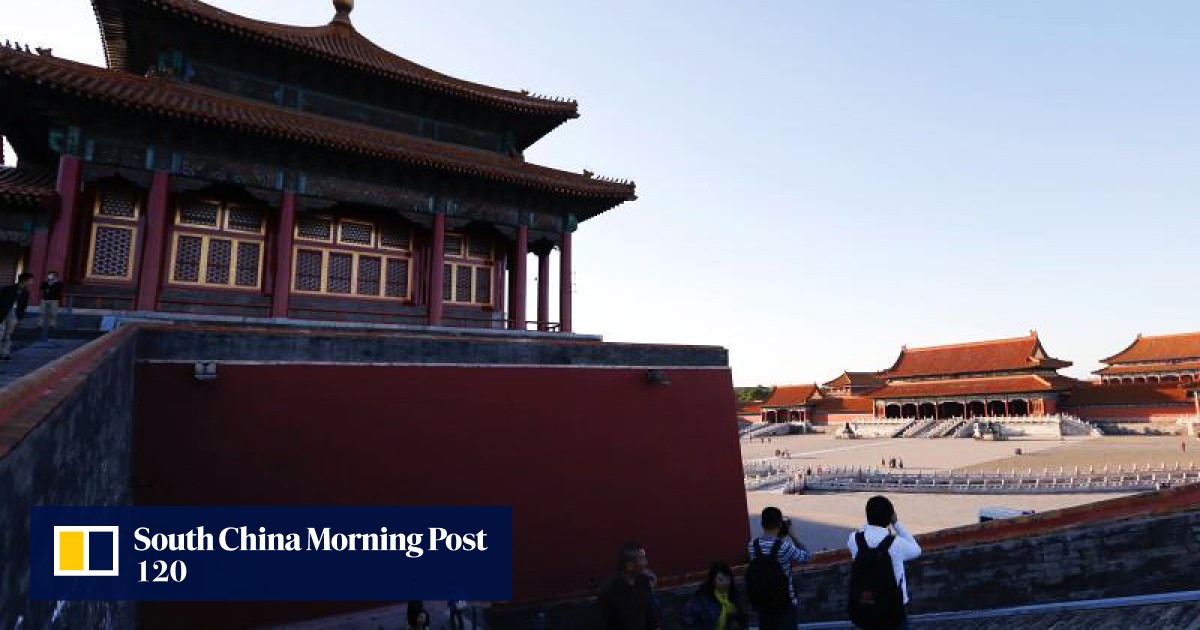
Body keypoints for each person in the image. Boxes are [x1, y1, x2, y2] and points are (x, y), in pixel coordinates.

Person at [847, 496, 921, 629]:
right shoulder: (896, 543)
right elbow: (916, 550)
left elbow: (862, 533)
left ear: (867, 515)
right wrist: (896, 523)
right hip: (894, 607)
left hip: (865, 605)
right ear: (890, 517)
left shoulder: (854, 539)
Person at [746, 507, 810, 630]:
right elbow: (806, 557)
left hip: (763, 604)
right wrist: (793, 535)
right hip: (785, 604)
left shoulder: (752, 546)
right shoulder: (785, 547)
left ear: (762, 524)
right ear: (780, 524)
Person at [599, 541, 660, 630]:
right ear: (630, 565)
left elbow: (650, 614)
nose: (646, 562)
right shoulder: (609, 590)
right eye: (642, 559)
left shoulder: (644, 582)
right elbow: (603, 623)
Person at [681, 561, 747, 630]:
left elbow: (743, 617)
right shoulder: (702, 597)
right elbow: (688, 618)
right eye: (720, 580)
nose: (725, 583)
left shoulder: (734, 595)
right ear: (713, 580)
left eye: (727, 579)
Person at [0, 272, 33, 360]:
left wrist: (20, 316)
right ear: (24, 280)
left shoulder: (26, 292)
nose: (31, 282)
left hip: (14, 314)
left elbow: (23, 306)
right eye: (30, 280)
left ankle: (5, 353)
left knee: (8, 334)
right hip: (3, 313)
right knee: (0, 333)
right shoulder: (8, 289)